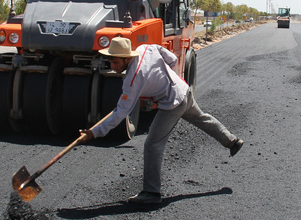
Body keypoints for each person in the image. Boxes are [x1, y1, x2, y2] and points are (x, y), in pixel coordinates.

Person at [80, 37, 243, 205]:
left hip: (172, 103)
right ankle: (232, 141)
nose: (112, 66)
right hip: (183, 90)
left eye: (115, 62)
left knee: (152, 144)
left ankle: (151, 192)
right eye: (110, 61)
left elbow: (121, 111)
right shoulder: (146, 48)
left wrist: (94, 132)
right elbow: (172, 59)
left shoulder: (133, 79)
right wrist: (165, 78)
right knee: (202, 118)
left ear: (127, 58)